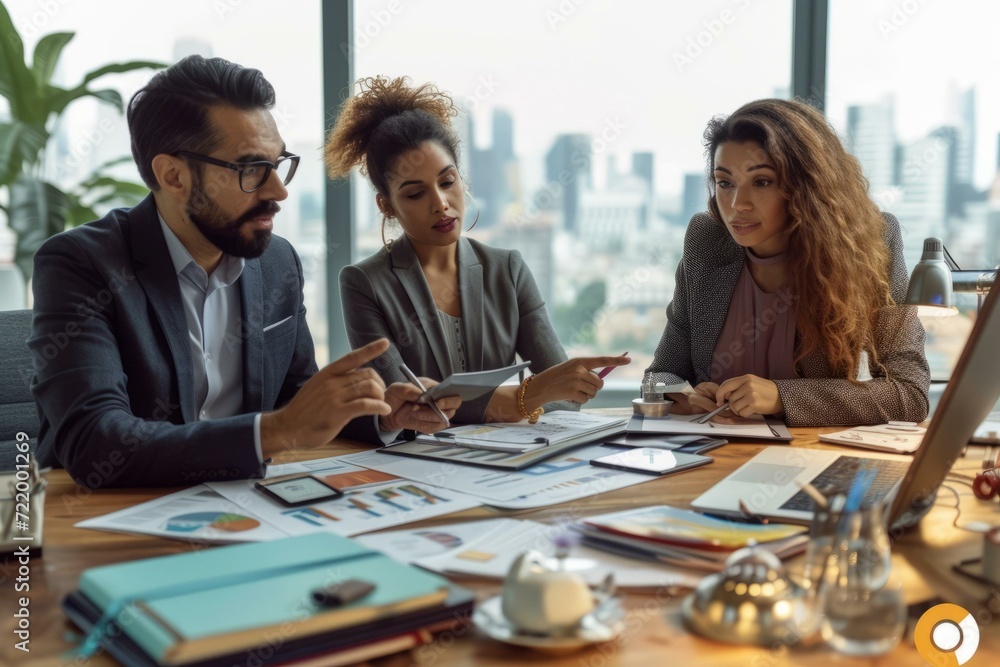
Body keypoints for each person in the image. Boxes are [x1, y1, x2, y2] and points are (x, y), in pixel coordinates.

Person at [30, 57, 458, 488]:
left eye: (278, 164)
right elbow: (94, 441)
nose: (278, 191)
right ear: (173, 175)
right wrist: (275, 432)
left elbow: (297, 396)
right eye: (251, 169)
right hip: (107, 519)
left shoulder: (277, 263)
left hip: (242, 507)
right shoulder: (81, 264)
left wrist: (380, 413)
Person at [325, 76, 629, 424]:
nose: (440, 204)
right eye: (414, 193)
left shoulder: (508, 269)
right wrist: (523, 398)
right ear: (386, 205)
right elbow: (404, 408)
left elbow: (563, 396)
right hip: (417, 464)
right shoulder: (364, 284)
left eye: (447, 182)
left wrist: (553, 390)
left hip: (508, 464)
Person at [645, 99, 930, 427]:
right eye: (725, 182)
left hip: (814, 462)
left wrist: (782, 397)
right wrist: (683, 392)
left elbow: (909, 394)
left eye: (762, 182)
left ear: (806, 185)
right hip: (715, 456)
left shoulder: (871, 243)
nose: (737, 204)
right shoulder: (707, 241)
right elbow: (658, 375)